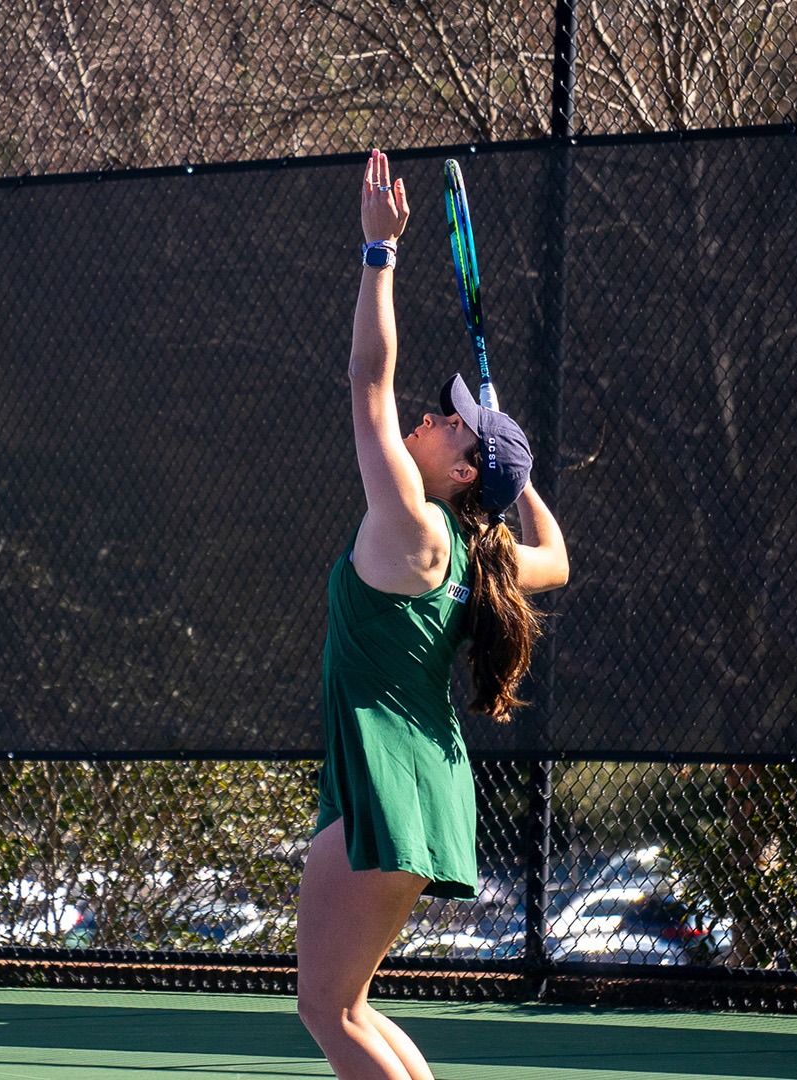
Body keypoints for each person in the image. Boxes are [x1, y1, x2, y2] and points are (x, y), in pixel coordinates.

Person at [296, 149, 569, 1080]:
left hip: (386, 778)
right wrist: (513, 484)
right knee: (350, 1005)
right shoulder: (483, 557)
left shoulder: (413, 522)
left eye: (453, 423)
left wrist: (381, 254)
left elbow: (369, 383)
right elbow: (560, 561)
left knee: (327, 1012)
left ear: (457, 473)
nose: (432, 416)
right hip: (425, 780)